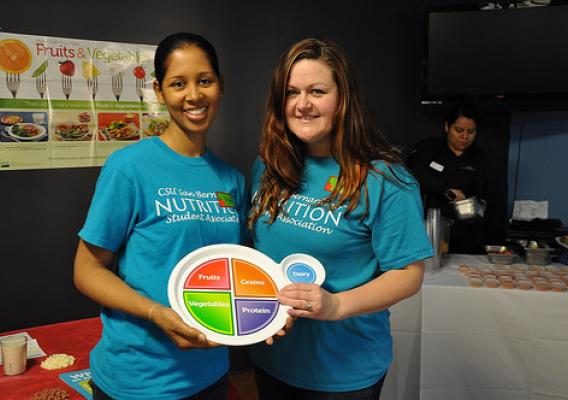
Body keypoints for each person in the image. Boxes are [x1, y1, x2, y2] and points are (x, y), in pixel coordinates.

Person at [247, 38, 433, 399]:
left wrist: (335, 305)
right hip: (272, 357)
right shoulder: (269, 167)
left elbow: (409, 275)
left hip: (344, 372)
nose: (302, 105)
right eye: (291, 92)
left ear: (343, 98)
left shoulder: (385, 180)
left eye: (317, 91)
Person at [73, 32, 248, 400]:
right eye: (178, 84)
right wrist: (155, 312)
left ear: (220, 86)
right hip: (138, 381)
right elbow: (87, 271)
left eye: (205, 81)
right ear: (158, 90)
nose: (194, 96)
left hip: (211, 374)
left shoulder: (232, 180)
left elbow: (233, 271)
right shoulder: (128, 167)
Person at [406, 102, 487, 254]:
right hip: (428, 230)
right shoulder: (428, 148)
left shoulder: (480, 158)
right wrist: (446, 190)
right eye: (459, 130)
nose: (464, 137)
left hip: (464, 234)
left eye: (471, 132)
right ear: (446, 127)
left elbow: (485, 196)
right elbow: (413, 174)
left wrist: (469, 201)